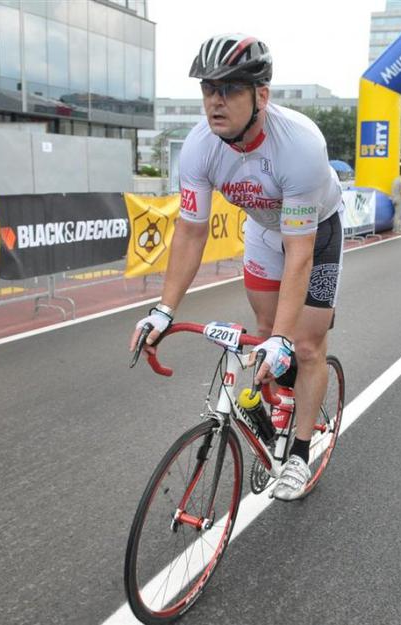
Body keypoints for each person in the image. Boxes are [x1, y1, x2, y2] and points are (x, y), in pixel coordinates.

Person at [130, 34, 344, 501]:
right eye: (209, 89)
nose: (215, 101)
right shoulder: (199, 147)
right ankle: (282, 397)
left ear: (261, 95)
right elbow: (191, 232)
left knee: (304, 345)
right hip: (264, 232)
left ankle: (299, 455)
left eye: (229, 90)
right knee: (265, 333)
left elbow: (300, 252)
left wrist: (285, 338)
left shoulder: (300, 146)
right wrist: (163, 310)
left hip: (316, 233)